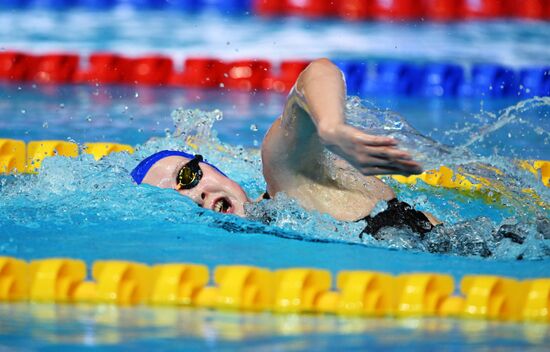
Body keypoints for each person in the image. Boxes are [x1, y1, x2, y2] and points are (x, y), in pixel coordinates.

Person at [131, 58, 439, 239]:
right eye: (172, 199)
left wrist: (332, 128)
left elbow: (317, 72)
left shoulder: (288, 177)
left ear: (213, 169)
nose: (192, 195)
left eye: (186, 176)